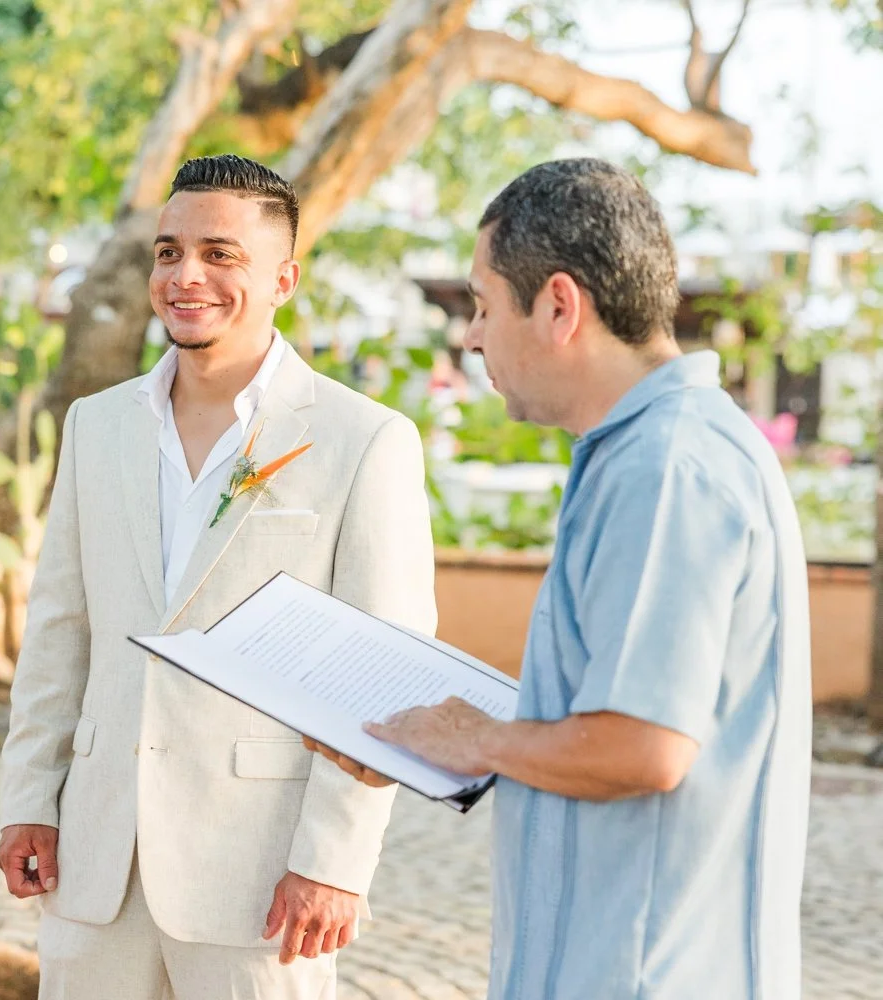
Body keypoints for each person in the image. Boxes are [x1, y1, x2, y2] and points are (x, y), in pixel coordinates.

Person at [310, 158, 811, 1000]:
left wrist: (472, 741)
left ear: (558, 306)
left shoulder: (667, 466)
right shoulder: (645, 452)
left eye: (481, 304)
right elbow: (607, 716)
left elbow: (642, 746)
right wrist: (432, 740)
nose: (470, 335)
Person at [0, 154, 437, 999]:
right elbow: (60, 628)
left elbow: (382, 675)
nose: (185, 275)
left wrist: (334, 862)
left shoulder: (364, 440)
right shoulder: (96, 425)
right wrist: (31, 800)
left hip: (260, 876)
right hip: (96, 863)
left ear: (284, 278)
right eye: (168, 252)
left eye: (219, 253)